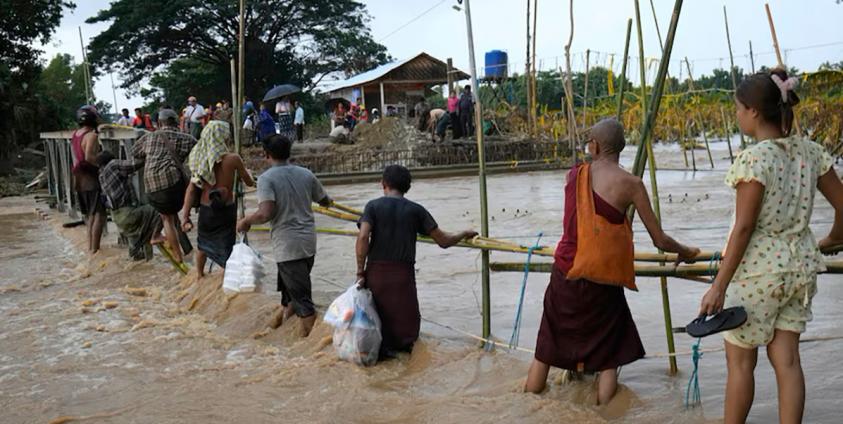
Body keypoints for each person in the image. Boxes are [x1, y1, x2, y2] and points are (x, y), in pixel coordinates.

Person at [697, 69, 843, 424]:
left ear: (754, 112)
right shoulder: (811, 152)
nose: (737, 116)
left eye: (738, 109)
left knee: (740, 364)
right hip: (799, 272)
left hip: (757, 274)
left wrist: (718, 286)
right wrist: (833, 239)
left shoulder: (755, 159)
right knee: (788, 361)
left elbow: (744, 228)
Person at [524, 118, 699, 405]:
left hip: (566, 272)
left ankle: (528, 405)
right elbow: (659, 239)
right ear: (621, 147)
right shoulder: (632, 185)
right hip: (603, 279)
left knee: (546, 347)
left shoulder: (574, 176)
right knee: (608, 354)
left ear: (593, 146)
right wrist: (686, 252)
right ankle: (605, 412)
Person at [355, 165, 476, 357]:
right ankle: (408, 367)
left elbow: (363, 237)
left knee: (376, 324)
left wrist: (360, 272)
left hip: (376, 275)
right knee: (406, 333)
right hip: (403, 277)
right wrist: (464, 233)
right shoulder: (416, 211)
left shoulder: (372, 206)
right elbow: (443, 241)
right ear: (407, 187)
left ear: (383, 184)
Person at [237, 135, 332, 337]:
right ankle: (286, 338)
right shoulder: (306, 174)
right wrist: (322, 201)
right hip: (307, 244)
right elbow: (324, 200)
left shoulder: (266, 179)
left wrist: (246, 221)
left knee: (303, 303)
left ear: (266, 154)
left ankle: (309, 346)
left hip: (288, 247)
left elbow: (265, 213)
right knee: (289, 298)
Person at [181, 120, 255, 278]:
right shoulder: (233, 159)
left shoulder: (199, 160)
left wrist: (185, 216)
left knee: (202, 245)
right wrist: (247, 173)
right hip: (226, 210)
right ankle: (226, 279)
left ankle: (199, 276)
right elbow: (249, 182)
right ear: (222, 138)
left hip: (206, 209)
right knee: (226, 246)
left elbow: (191, 190)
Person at [132, 108, 196, 263]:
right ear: (176, 122)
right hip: (173, 186)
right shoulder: (187, 138)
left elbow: (135, 152)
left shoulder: (149, 137)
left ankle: (176, 253)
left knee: (166, 217)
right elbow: (198, 151)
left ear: (159, 123)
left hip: (150, 187)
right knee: (171, 213)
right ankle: (186, 222)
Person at [96, 151, 163, 261]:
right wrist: (151, 154)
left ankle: (142, 260)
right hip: (128, 213)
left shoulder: (101, 175)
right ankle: (155, 235)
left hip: (118, 218)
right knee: (160, 209)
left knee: (136, 255)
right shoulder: (113, 165)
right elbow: (134, 164)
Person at [71, 106, 106, 254]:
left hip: (79, 177)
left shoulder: (76, 134)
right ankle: (95, 249)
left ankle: (91, 249)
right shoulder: (91, 136)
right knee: (99, 214)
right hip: (90, 177)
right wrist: (103, 164)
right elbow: (89, 157)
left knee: (90, 214)